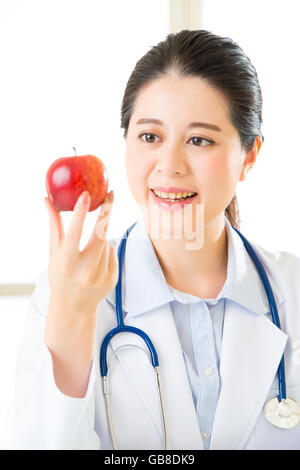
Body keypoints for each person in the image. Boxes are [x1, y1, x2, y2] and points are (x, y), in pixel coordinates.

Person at [6, 29, 300, 450]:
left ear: (249, 156)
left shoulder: (293, 289)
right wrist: (70, 315)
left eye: (199, 140)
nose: (170, 166)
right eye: (150, 137)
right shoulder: (66, 294)